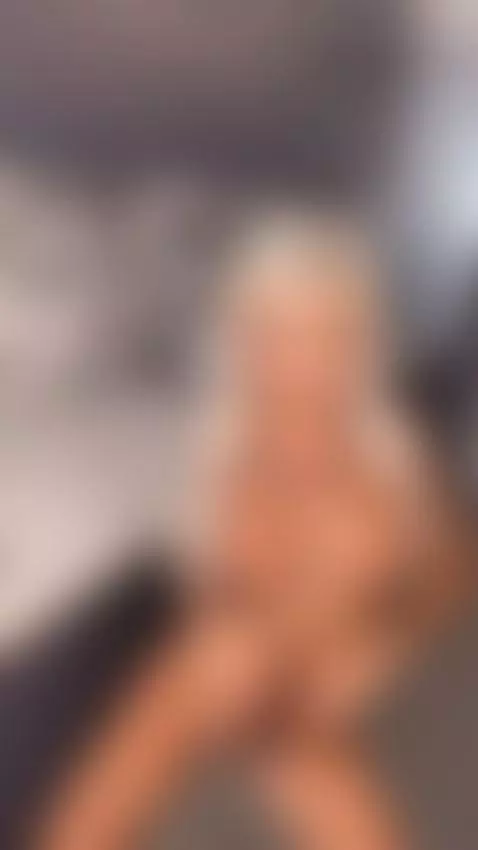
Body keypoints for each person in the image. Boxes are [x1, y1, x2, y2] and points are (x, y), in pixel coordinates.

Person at [36, 209, 473, 850]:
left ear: (355, 350)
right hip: (255, 716)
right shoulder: (226, 479)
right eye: (279, 340)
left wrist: (374, 646)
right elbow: (219, 614)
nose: (299, 363)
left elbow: (453, 576)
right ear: (246, 350)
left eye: (321, 339)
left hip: (364, 716)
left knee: (257, 713)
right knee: (213, 668)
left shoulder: (399, 475)